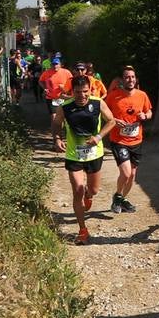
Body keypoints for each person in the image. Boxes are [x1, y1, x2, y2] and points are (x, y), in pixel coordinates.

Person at [51, 74, 117, 245]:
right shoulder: (65, 107)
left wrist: (99, 136)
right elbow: (57, 124)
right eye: (78, 92)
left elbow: (111, 121)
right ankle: (82, 229)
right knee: (78, 190)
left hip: (94, 154)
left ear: (90, 90)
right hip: (74, 155)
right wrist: (57, 139)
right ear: (72, 91)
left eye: (85, 92)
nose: (82, 96)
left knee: (93, 190)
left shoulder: (97, 103)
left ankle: (89, 195)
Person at [104, 64, 153, 213]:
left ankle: (120, 198)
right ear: (122, 80)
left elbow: (149, 111)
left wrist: (146, 116)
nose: (130, 79)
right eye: (127, 77)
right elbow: (103, 112)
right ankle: (118, 198)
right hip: (119, 140)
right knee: (125, 172)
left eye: (132, 77)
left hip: (136, 140)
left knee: (132, 175)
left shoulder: (142, 95)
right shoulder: (113, 96)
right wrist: (114, 121)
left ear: (135, 79)